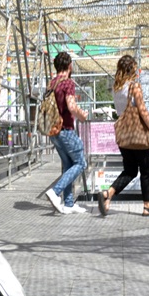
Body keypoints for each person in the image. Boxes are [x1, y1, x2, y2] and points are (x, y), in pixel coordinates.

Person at [98, 54, 149, 217]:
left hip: (124, 137)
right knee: (146, 171)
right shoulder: (134, 87)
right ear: (131, 69)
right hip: (137, 136)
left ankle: (108, 193)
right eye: (135, 68)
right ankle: (147, 207)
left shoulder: (116, 88)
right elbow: (142, 110)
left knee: (130, 170)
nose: (137, 71)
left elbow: (121, 112)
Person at [44, 52, 89, 214]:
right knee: (81, 163)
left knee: (69, 165)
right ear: (69, 66)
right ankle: (55, 191)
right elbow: (71, 106)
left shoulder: (52, 83)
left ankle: (68, 203)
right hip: (66, 130)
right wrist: (81, 115)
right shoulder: (67, 83)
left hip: (53, 131)